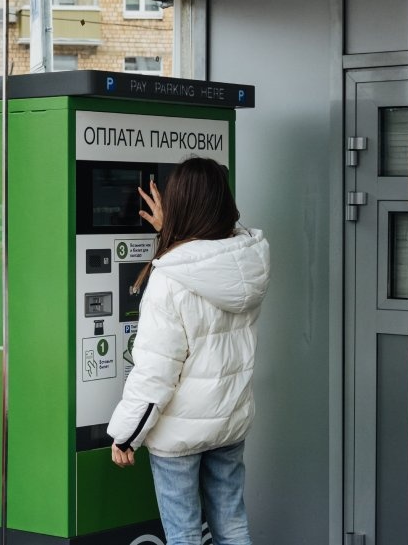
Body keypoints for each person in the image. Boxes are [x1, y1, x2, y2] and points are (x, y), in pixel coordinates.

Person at [107, 156, 270, 545]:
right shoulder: (248, 261)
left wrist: (126, 434)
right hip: (228, 422)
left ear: (179, 205)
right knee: (231, 525)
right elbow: (208, 253)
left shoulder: (169, 280)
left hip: (178, 434)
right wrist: (173, 231)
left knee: (183, 535)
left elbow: (156, 372)